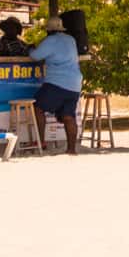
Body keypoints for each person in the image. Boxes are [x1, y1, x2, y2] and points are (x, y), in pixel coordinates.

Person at [28, 15, 82, 155]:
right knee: (68, 116)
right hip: (75, 84)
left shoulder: (50, 40)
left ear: (49, 30)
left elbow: (35, 56)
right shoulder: (71, 39)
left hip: (57, 82)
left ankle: (41, 141)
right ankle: (71, 149)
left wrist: (30, 48)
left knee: (38, 107)